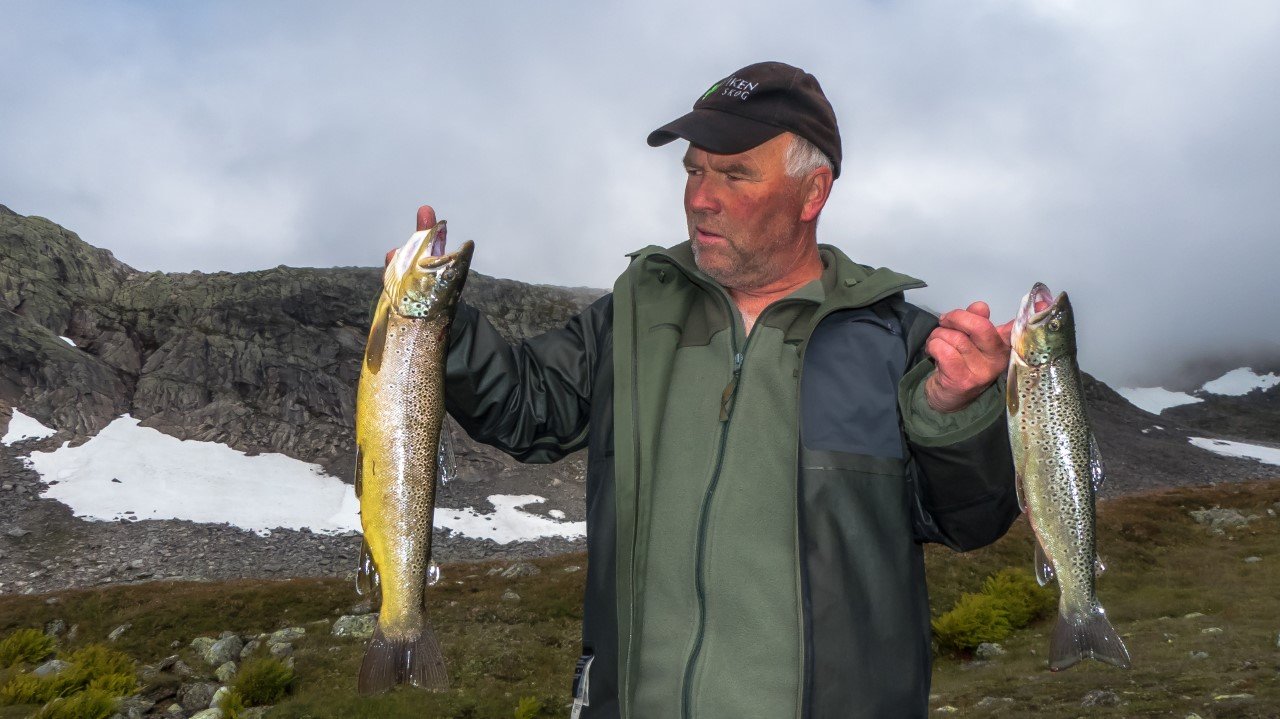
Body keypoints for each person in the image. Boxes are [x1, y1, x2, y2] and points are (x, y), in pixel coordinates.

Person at [432, 61, 1020, 719]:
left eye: (734, 173)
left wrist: (956, 411)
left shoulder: (899, 344)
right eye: (693, 170)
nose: (700, 197)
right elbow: (521, 408)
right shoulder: (634, 314)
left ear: (812, 192)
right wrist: (434, 323)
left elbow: (972, 519)